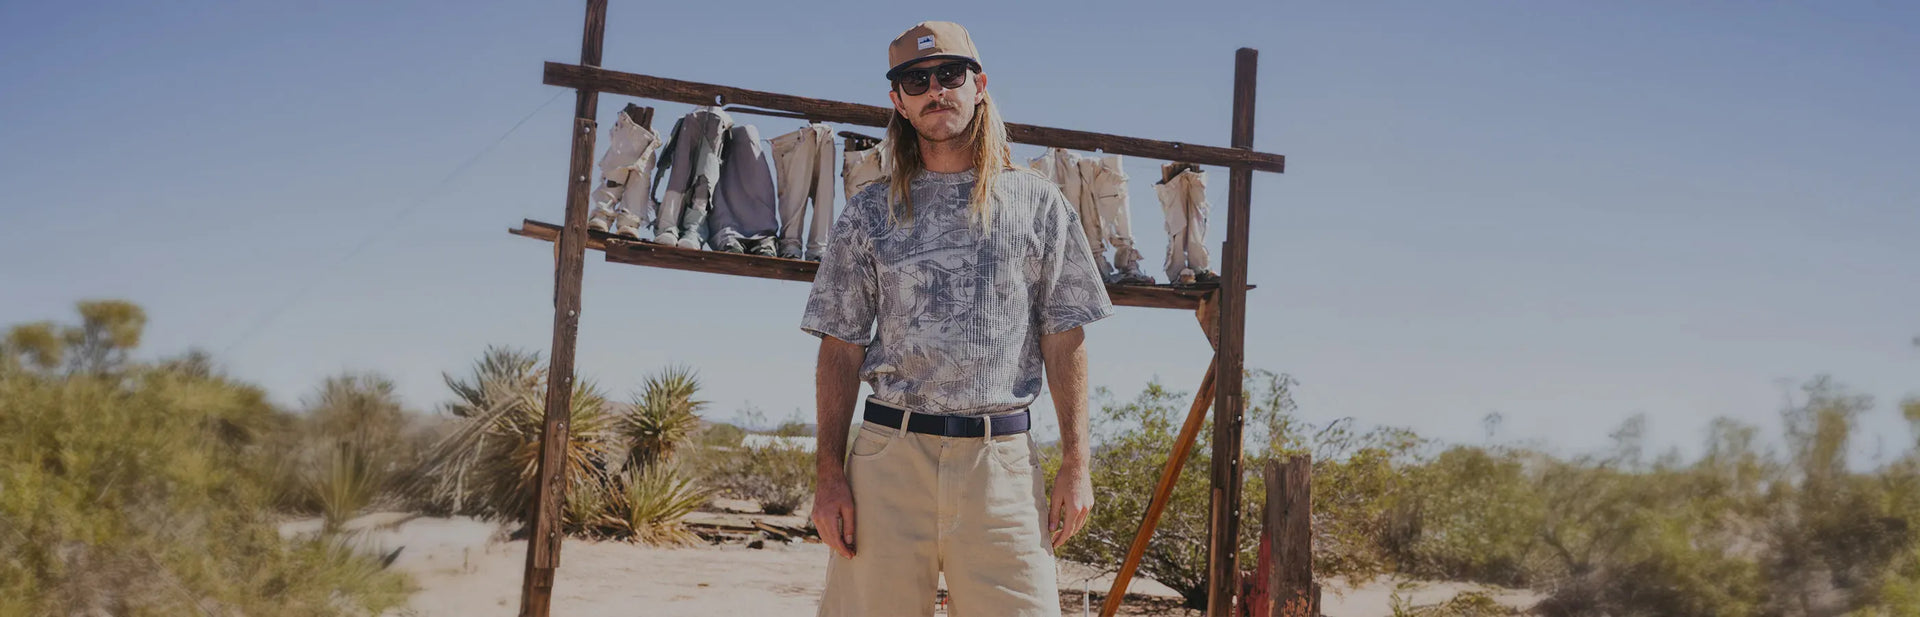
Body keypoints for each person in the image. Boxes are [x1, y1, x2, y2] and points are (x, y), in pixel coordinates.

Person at [800, 21, 1111, 617]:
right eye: (916, 80)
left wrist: (1077, 463)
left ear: (980, 85)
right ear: (898, 101)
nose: (935, 90)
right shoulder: (869, 212)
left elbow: (1064, 336)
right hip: (888, 461)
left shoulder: (1040, 202)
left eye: (949, 74)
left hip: (1001, 466)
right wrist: (828, 475)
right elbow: (839, 347)